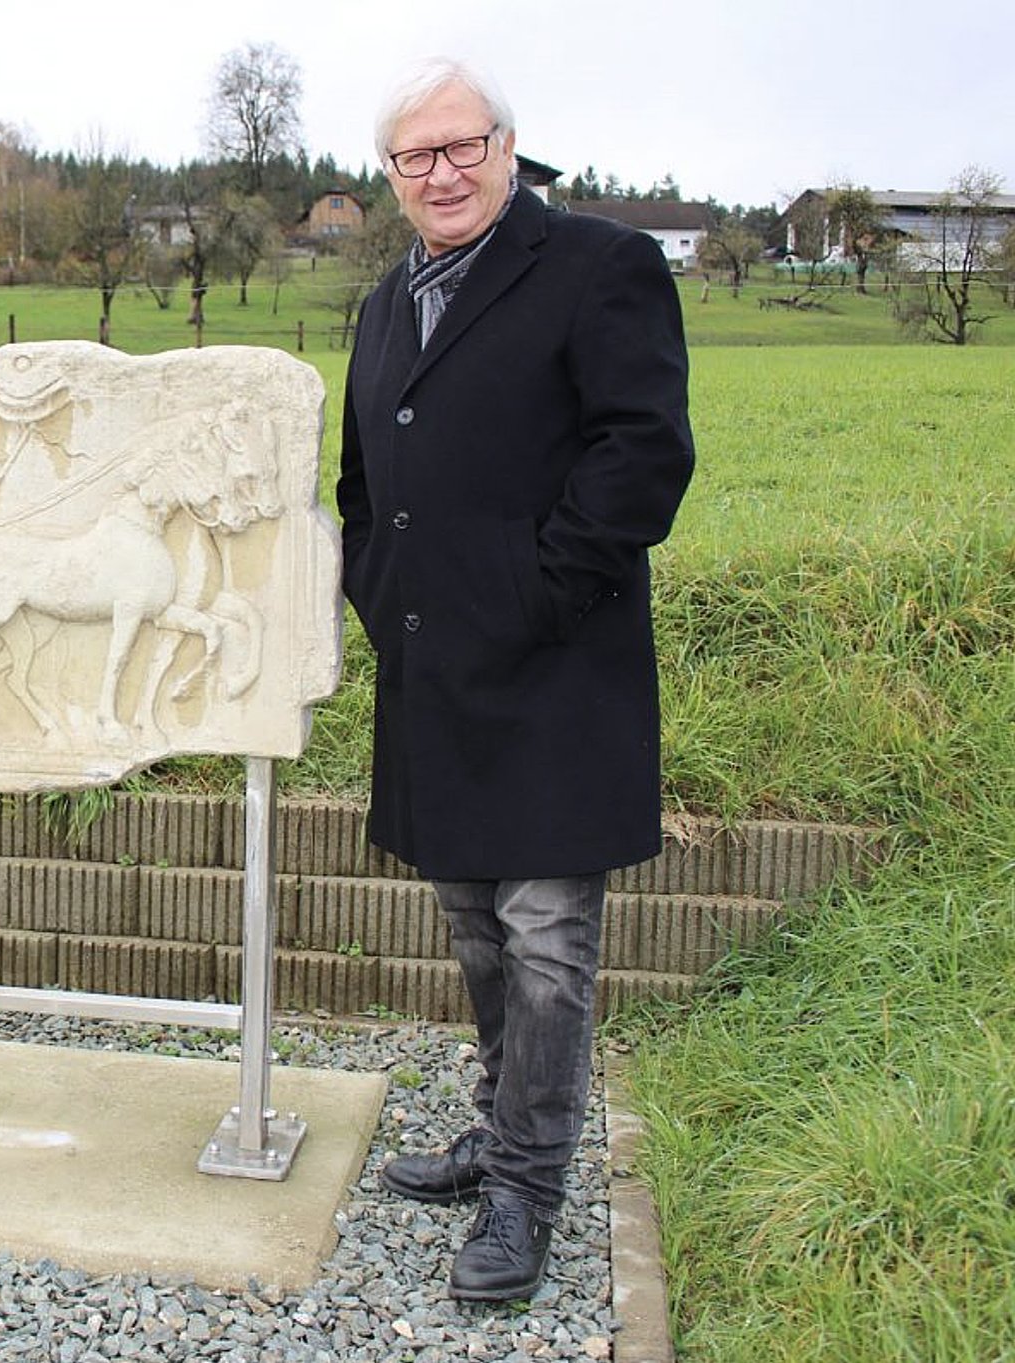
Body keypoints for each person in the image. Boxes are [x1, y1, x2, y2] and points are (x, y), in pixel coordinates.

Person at [334, 59, 694, 1301]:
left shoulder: (598, 266)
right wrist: (378, 591)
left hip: (554, 672)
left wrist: (540, 595)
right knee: (475, 925)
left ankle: (526, 1192)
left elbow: (641, 454)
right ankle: (497, 1128)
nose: (438, 172)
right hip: (433, 669)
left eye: (458, 147)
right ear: (390, 181)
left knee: (547, 941)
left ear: (504, 147)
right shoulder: (385, 301)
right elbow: (362, 488)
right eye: (411, 158)